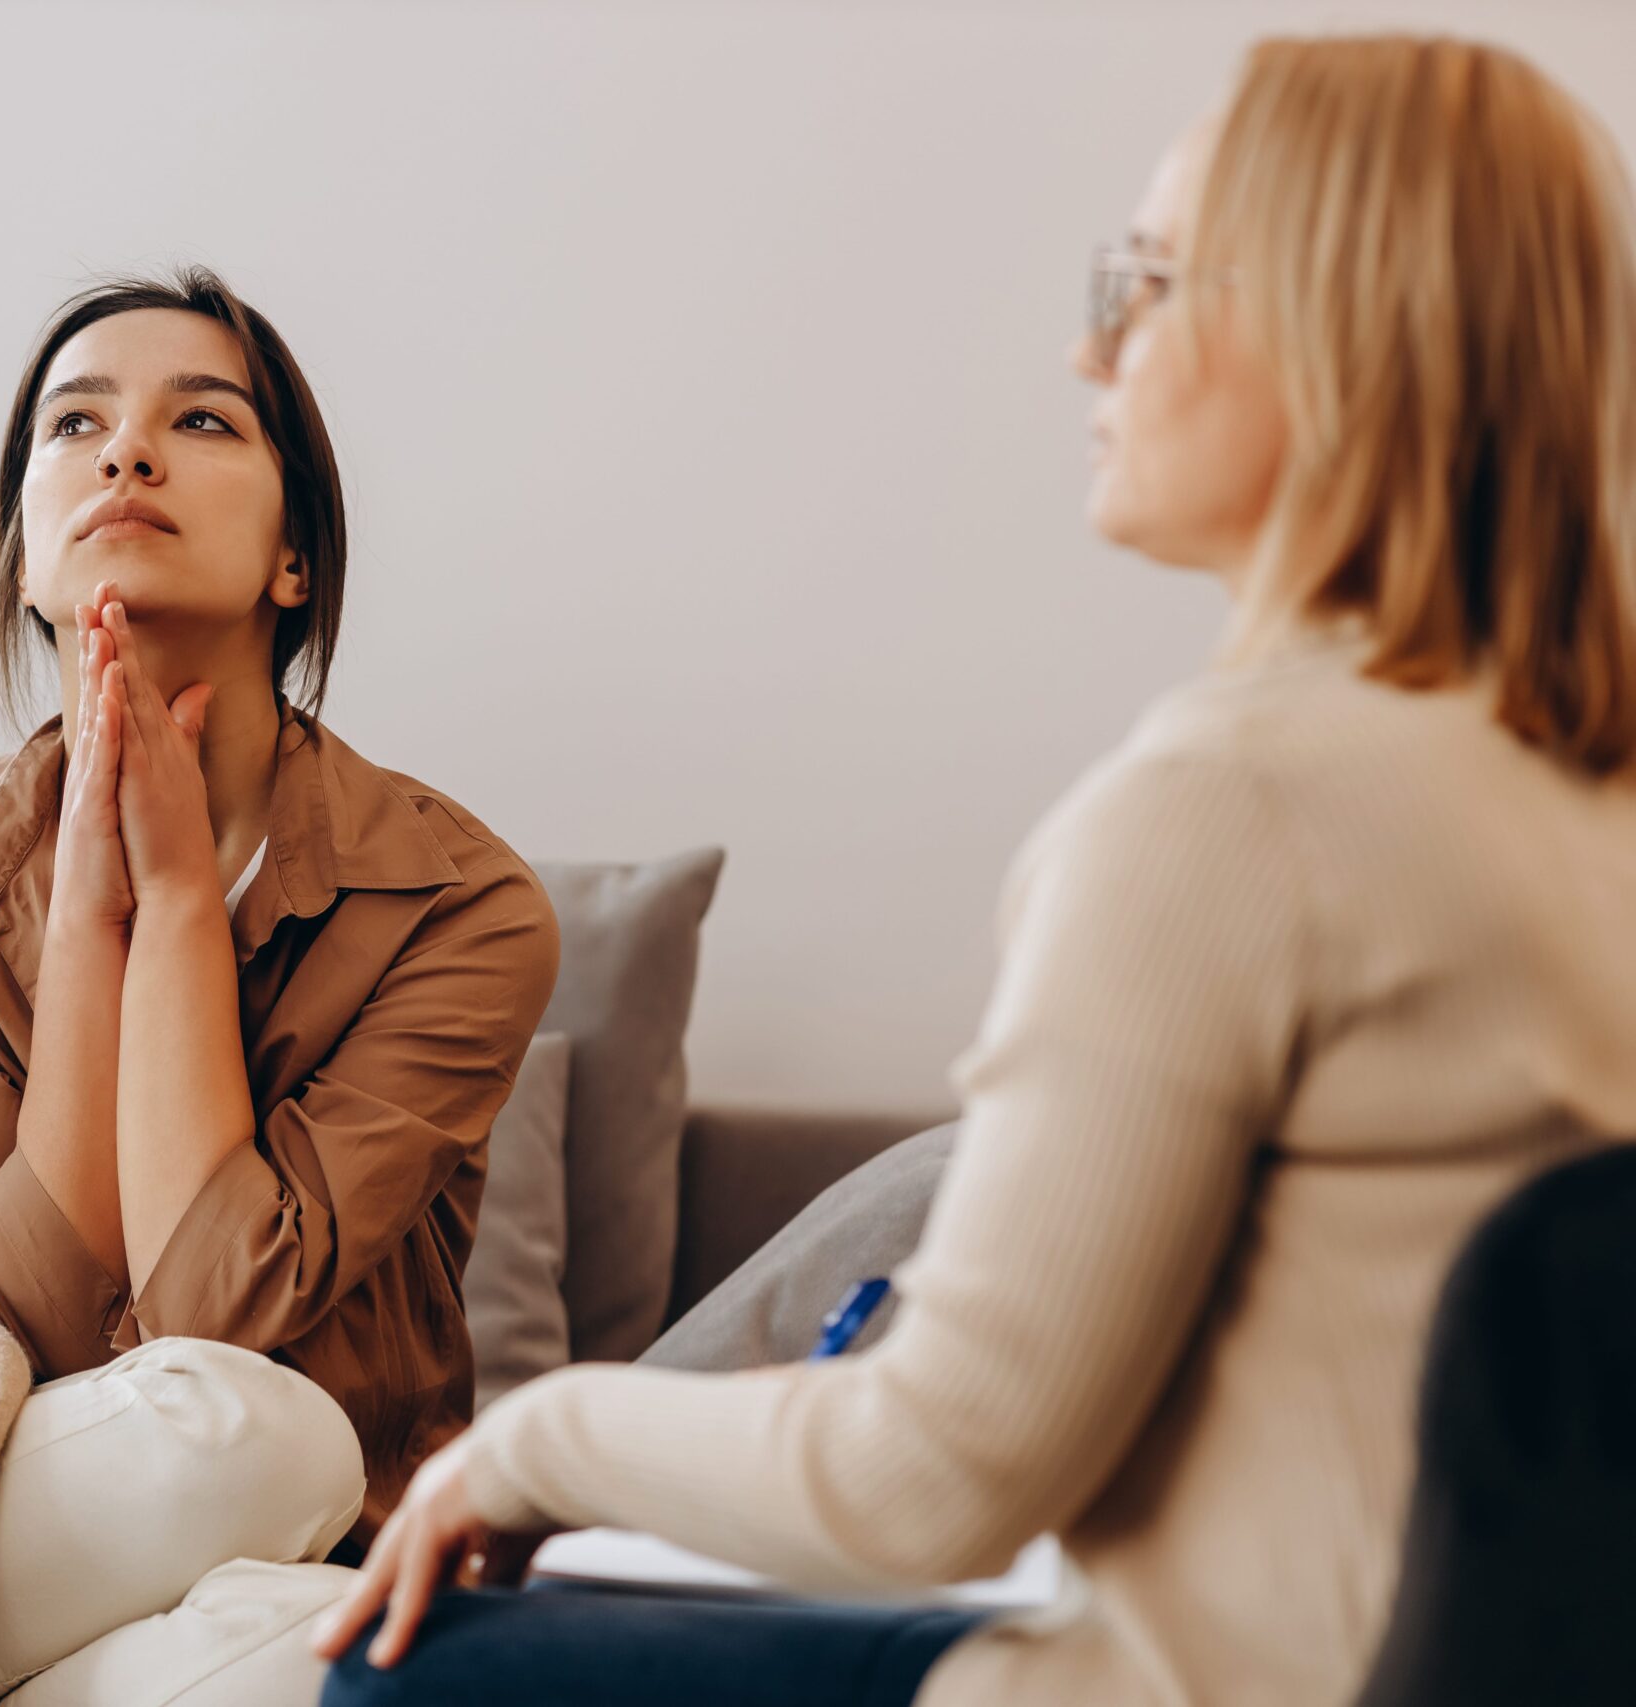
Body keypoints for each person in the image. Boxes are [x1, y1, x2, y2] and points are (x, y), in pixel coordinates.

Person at [316, 33, 1636, 1707]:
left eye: (1145, 281)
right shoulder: (1585, 804)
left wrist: (538, 1439)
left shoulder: (1228, 812)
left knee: (398, 1669)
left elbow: (935, 1474)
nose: (1091, 351)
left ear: (1332, 318)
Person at [0, 267, 559, 1705]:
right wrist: (95, 908)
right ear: (26, 559)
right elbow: (28, 1336)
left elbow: (213, 1307)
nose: (127, 452)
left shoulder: (462, 907)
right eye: (74, 425)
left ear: (296, 561)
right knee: (240, 1437)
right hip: (12, 1511)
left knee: (273, 1585)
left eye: (201, 421)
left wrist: (183, 904)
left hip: (315, 1551)